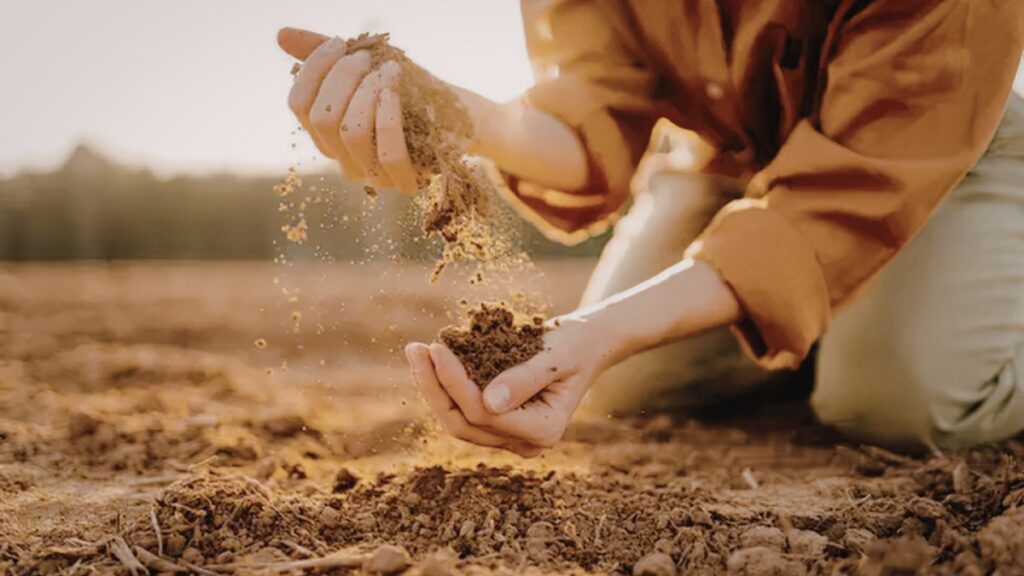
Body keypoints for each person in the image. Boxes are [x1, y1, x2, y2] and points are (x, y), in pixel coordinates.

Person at [278, 1, 1024, 456]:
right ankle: (834, 319)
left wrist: (600, 330)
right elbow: (595, 115)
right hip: (733, 160)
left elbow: (843, 194)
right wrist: (460, 118)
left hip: (921, 155)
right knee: (631, 383)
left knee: (895, 406)